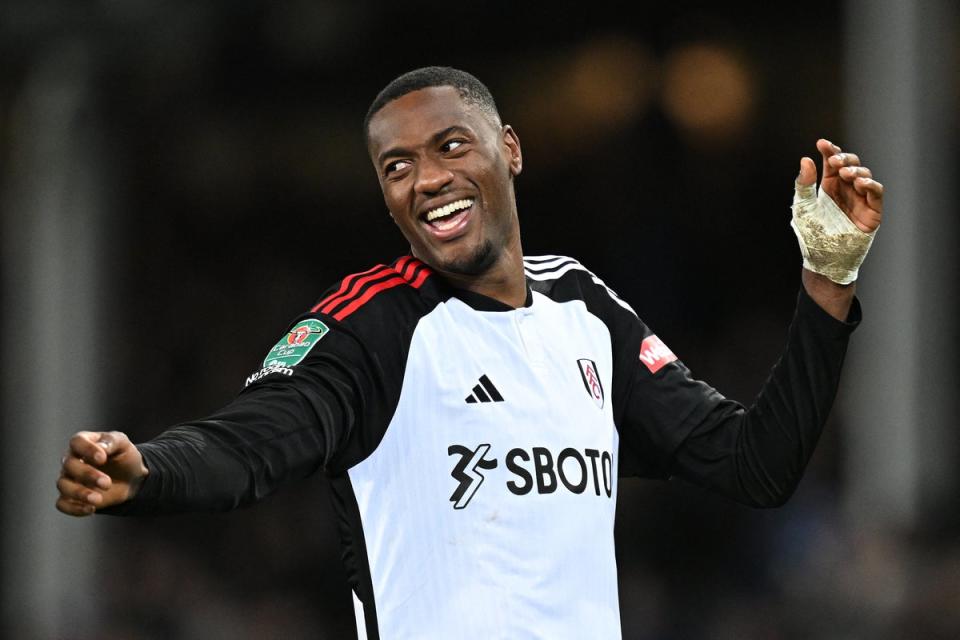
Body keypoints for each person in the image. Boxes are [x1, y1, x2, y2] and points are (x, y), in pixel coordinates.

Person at [56, 67, 884, 638]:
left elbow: (756, 464)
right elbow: (253, 440)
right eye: (397, 166)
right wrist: (152, 471)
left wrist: (827, 280)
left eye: (451, 146)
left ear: (510, 150)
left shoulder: (585, 311)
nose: (427, 178)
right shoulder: (373, 326)